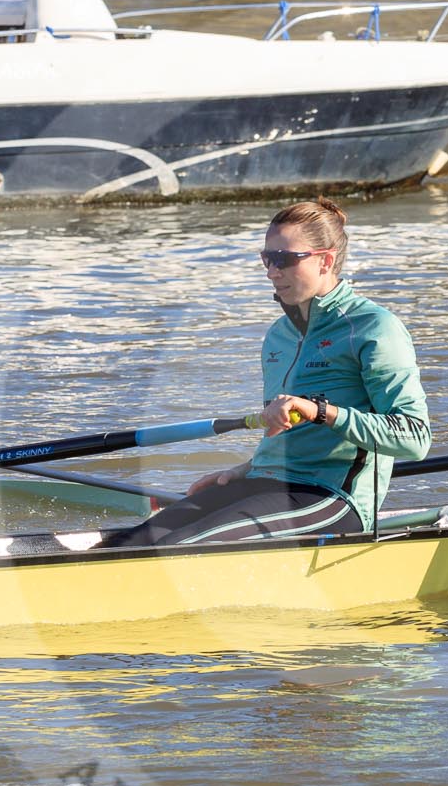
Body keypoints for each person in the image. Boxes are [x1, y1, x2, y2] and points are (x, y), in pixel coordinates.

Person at [106, 199, 431, 547]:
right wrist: (241, 473)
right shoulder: (279, 335)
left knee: (176, 546)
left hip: (329, 496)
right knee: (121, 545)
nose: (271, 272)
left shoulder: (373, 328)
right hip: (264, 483)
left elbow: (414, 438)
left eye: (284, 260)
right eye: (266, 259)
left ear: (326, 260)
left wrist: (322, 411)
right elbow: (284, 435)